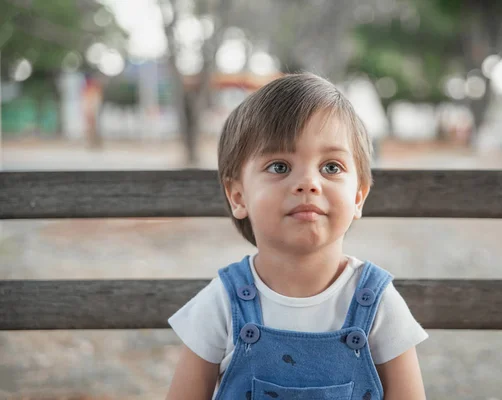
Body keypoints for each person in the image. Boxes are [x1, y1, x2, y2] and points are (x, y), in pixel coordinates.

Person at [166, 73, 428, 399]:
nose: (308, 183)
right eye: (279, 166)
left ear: (358, 197)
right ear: (238, 196)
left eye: (331, 167)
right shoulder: (222, 302)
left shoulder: (379, 304)